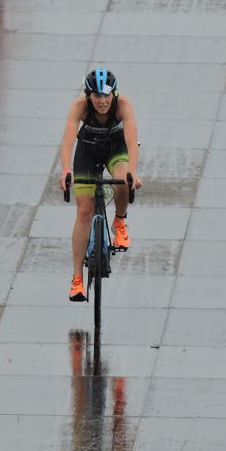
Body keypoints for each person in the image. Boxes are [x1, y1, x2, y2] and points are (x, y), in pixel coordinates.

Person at [58, 67, 142, 302]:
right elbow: (67, 141)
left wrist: (133, 173)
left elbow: (132, 141)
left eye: (107, 96)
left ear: (114, 94)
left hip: (115, 149)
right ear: (88, 95)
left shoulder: (123, 105)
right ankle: (77, 279)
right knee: (84, 211)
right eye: (97, 96)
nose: (102, 101)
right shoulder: (79, 107)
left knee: (123, 181)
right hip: (87, 151)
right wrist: (66, 170)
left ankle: (120, 221)